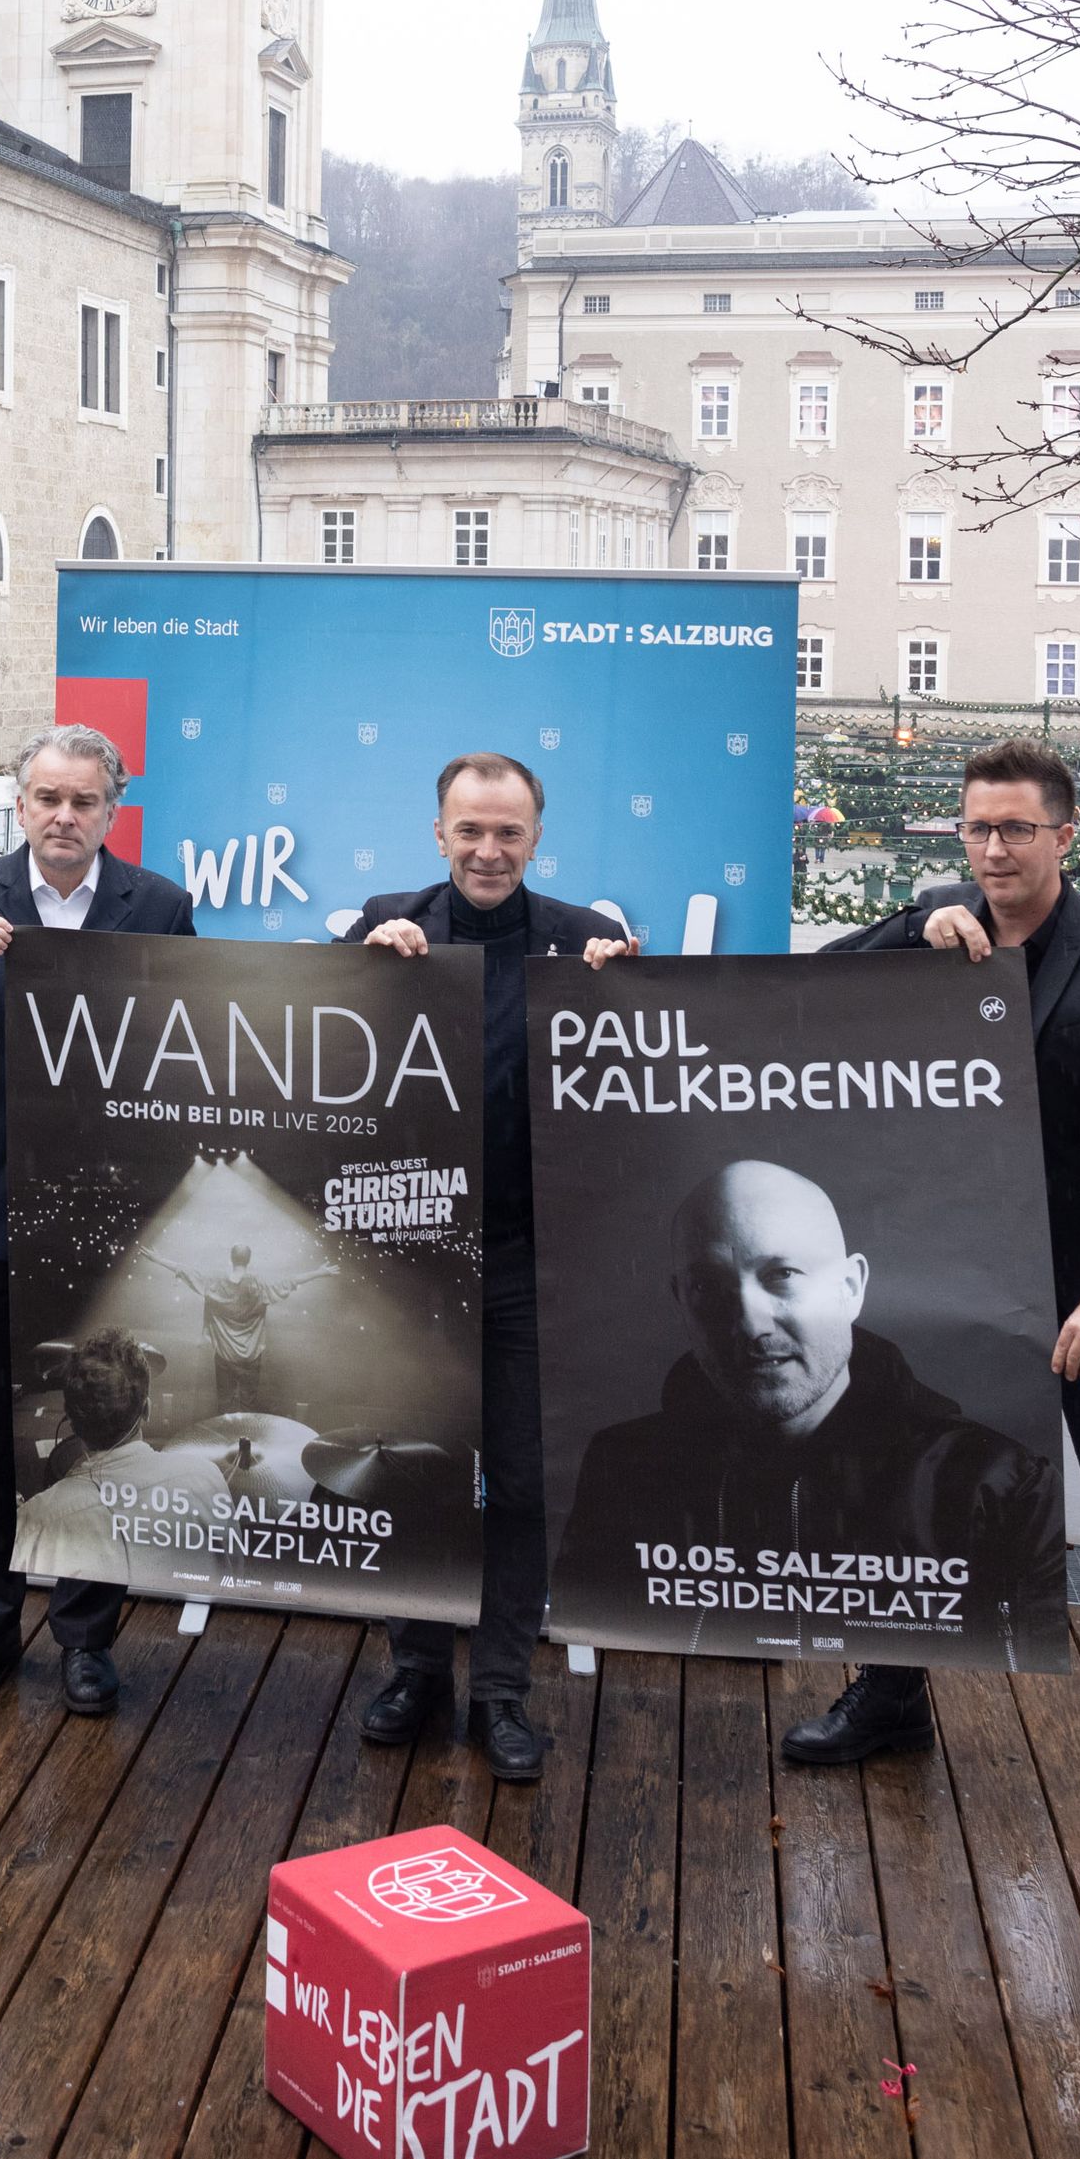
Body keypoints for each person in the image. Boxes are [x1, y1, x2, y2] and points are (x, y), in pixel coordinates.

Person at [799, 735, 1080, 1866]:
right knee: (894, 1473)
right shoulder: (942, 927)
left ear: (1064, 836)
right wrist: (917, 924)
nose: (994, 849)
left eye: (1016, 830)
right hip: (953, 1270)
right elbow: (815, 984)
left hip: (1078, 1291)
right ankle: (893, 1692)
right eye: (977, 828)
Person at [0, 722, 195, 1717]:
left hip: (107, 1215)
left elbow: (191, 1048)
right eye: (48, 799)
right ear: (20, 806)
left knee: (102, 1429)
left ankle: (87, 1637)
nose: (64, 816)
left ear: (112, 811)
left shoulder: (161, 906)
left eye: (83, 801)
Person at [344, 751, 635, 1780]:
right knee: (413, 1469)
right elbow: (310, 1044)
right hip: (411, 1259)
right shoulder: (384, 922)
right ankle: (417, 1668)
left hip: (527, 1261)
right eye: (469, 829)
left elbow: (637, 1088)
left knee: (519, 1483)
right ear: (439, 833)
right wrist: (358, 965)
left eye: (508, 831)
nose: (488, 850)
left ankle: (502, 1689)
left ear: (536, 838)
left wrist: (630, 991)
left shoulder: (583, 941)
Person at [548, 1159, 1056, 1651]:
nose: (751, 1324)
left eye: (782, 1274)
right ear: (681, 1299)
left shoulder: (995, 1486)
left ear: (850, 1289)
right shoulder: (623, 1466)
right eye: (707, 1286)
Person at [15, 1330, 236, 1595]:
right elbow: (233, 1574)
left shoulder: (34, 1521)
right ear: (147, 1410)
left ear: (71, 1421)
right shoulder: (206, 1478)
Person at [144, 1237, 338, 1410]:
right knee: (248, 1405)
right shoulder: (260, 1286)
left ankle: (225, 1438)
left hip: (224, 1354)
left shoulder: (214, 1283)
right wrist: (319, 1272)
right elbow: (291, 1281)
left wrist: (158, 1259)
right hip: (252, 1356)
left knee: (224, 1404)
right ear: (249, 1260)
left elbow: (185, 1271)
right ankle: (245, 1438)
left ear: (231, 1258)